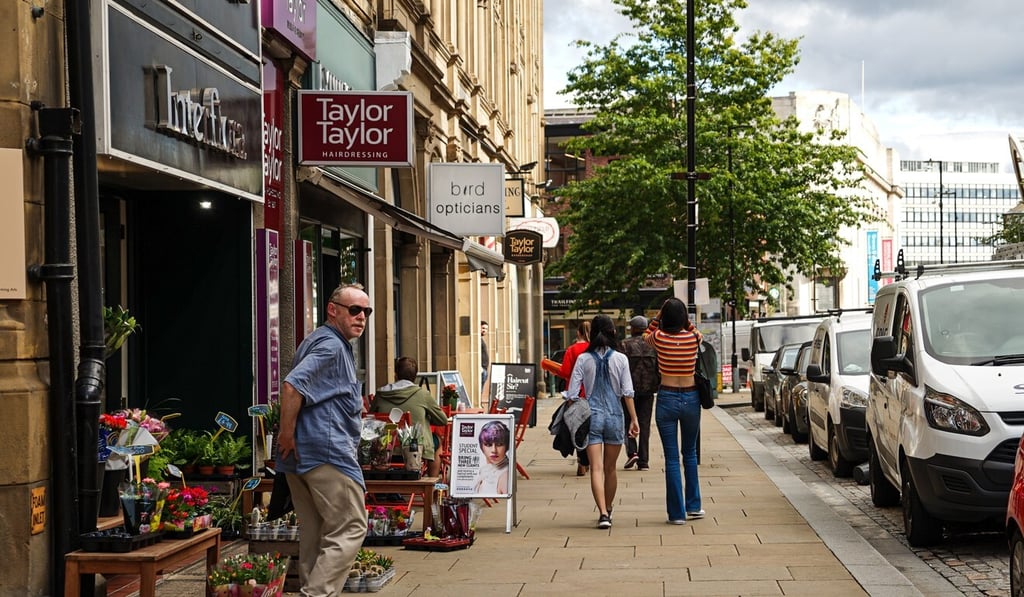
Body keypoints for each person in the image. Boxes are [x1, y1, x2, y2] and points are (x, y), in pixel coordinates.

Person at [277, 283, 371, 597]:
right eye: (354, 310)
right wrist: (285, 433)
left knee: (315, 533)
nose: (361, 317)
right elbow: (293, 386)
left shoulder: (325, 340)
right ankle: (315, 594)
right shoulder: (331, 345)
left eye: (366, 311)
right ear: (333, 309)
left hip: (304, 454)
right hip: (325, 452)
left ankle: (311, 587)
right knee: (351, 525)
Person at [566, 314, 638, 529]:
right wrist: (634, 419)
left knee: (596, 468)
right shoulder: (621, 359)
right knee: (610, 469)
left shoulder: (583, 359)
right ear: (612, 332)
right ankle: (609, 506)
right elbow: (627, 393)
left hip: (592, 417)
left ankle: (603, 513)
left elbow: (572, 393)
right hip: (615, 416)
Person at [644, 297, 705, 525]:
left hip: (667, 397)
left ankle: (677, 514)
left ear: (664, 317)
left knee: (671, 458)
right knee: (689, 453)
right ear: (683, 318)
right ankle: (694, 505)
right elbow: (695, 331)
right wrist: (686, 321)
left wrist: (658, 316)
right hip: (691, 397)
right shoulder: (693, 338)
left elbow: (645, 336)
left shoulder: (658, 338)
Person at [370, 357, 449, 477]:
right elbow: (442, 420)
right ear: (415, 376)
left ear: (396, 375)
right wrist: (426, 417)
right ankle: (431, 486)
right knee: (437, 443)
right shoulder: (422, 394)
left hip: (387, 445)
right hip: (415, 447)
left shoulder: (381, 394)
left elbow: (371, 417)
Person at [543, 321, 592, 476]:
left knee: (577, 427)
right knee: (591, 429)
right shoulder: (594, 348)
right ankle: (591, 459)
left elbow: (565, 372)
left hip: (576, 394)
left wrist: (552, 368)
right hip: (593, 394)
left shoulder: (572, 349)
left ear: (578, 333)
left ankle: (582, 461)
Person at [620, 315, 659, 471]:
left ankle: (632, 452)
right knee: (644, 424)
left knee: (627, 421)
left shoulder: (624, 344)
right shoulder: (653, 345)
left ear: (633, 328)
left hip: (629, 390)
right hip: (648, 389)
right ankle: (644, 460)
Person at [472, 420, 510, 495]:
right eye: (488, 445)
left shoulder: (505, 476)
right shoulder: (485, 469)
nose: (494, 450)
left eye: (499, 444)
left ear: (507, 446)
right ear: (481, 447)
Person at [480, 321, 490, 395]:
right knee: (480, 389)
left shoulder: (481, 339)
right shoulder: (478, 340)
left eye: (486, 329)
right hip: (481, 369)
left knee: (481, 389)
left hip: (484, 369)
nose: (484, 330)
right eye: (483, 328)